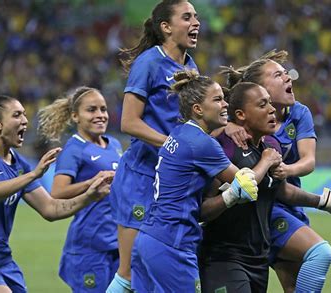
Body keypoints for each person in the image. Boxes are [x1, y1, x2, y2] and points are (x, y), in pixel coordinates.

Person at [198, 81, 331, 292]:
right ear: (241, 115)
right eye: (262, 105)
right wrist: (236, 190)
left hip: (258, 259)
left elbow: (282, 191)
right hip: (223, 258)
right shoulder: (225, 147)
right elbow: (202, 210)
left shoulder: (271, 147)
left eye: (270, 103)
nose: (271, 110)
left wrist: (327, 202)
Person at [0, 95, 111, 293]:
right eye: (17, 115)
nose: (24, 120)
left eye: (24, 114)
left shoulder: (18, 164)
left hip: (1, 257)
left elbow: (50, 208)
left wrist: (89, 195)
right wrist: (33, 175)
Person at [221, 49, 331, 292]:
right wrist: (227, 124)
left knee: (293, 286)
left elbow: (308, 161)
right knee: (320, 253)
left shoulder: (298, 113)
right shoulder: (239, 123)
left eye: (286, 73)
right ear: (260, 89)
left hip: (289, 202)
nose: (288, 77)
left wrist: (287, 169)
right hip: (264, 210)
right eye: (278, 75)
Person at [131, 69, 259, 292]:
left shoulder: (179, 133)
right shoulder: (202, 144)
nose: (225, 104)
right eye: (218, 99)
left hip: (149, 237)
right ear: (198, 109)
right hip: (173, 243)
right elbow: (247, 184)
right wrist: (266, 160)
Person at [106, 1, 201, 291]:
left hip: (170, 181)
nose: (196, 22)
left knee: (151, 274)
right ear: (166, 27)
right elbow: (129, 123)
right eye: (187, 17)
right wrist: (174, 146)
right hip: (141, 178)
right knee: (129, 274)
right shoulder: (149, 62)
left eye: (196, 17)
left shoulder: (190, 67)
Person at [37, 87, 121, 292]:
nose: (100, 115)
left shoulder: (115, 144)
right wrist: (93, 182)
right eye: (91, 110)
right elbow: (57, 192)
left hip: (117, 242)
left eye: (103, 109)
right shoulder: (74, 149)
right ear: (75, 116)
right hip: (90, 245)